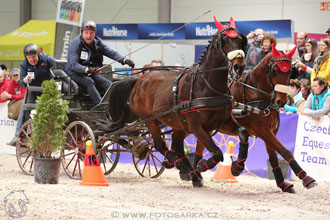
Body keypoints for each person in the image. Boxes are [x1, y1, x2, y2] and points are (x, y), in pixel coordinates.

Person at [65, 20, 135, 106]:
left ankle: (120, 105)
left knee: (109, 85)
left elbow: (111, 53)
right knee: (89, 82)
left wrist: (124, 60)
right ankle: (100, 106)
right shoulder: (76, 44)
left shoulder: (98, 42)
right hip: (74, 72)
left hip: (92, 71)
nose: (89, 35)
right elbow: (73, 65)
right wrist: (87, 69)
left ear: (95, 33)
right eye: (86, 33)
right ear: (82, 33)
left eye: (91, 33)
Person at [8, 43, 55, 146]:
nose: (32, 60)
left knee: (46, 113)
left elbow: (58, 65)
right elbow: (21, 84)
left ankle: (48, 134)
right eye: (29, 58)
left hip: (47, 91)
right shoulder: (24, 64)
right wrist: (24, 80)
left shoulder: (46, 59)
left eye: (34, 57)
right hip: (33, 91)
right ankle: (19, 135)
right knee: (24, 109)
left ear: (38, 54)